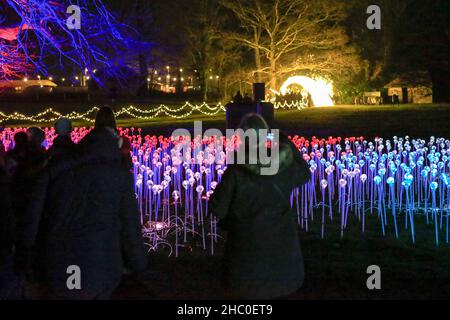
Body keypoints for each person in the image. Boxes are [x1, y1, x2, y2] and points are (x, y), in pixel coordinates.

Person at [22, 106, 147, 299]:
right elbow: (130, 224)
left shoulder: (56, 169)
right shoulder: (119, 176)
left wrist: (27, 253)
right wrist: (138, 263)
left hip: (59, 257)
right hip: (101, 262)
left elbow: (34, 213)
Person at [209, 114, 311, 299]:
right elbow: (304, 172)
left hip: (245, 267)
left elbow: (218, 209)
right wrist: (287, 145)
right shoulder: (281, 168)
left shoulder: (235, 172)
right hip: (284, 268)